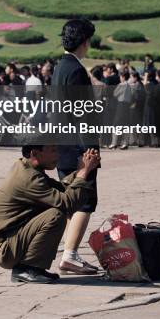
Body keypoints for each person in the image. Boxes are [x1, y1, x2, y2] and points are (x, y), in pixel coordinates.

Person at [0, 145, 100, 284]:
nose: (57, 156)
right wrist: (82, 173)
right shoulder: (28, 178)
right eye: (53, 150)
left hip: (12, 240)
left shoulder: (27, 168)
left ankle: (31, 267)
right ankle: (26, 269)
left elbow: (61, 189)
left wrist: (82, 171)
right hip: (5, 250)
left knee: (55, 210)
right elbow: (68, 204)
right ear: (35, 153)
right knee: (55, 214)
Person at [51, 19, 100, 275]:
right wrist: (92, 149)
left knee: (72, 200)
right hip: (78, 148)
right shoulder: (77, 70)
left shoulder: (59, 67)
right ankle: (70, 255)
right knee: (85, 202)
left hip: (62, 145)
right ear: (85, 42)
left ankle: (69, 251)